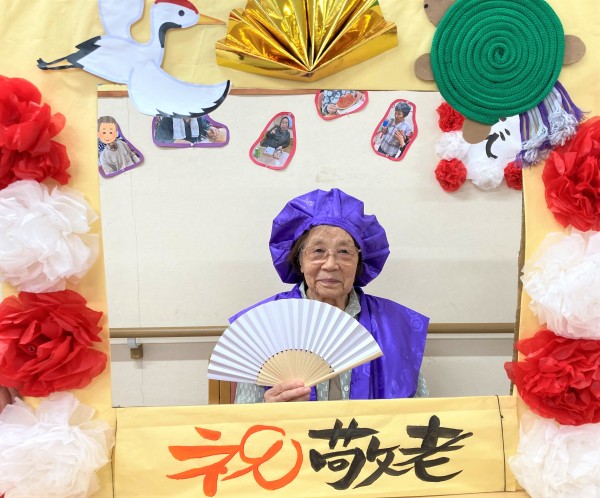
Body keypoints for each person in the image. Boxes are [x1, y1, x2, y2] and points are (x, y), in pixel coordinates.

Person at [233, 188, 429, 403]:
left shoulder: (394, 325)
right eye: (318, 251)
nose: (330, 264)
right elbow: (243, 415)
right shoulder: (264, 323)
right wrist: (268, 408)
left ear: (359, 262)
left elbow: (419, 410)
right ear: (299, 260)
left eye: (344, 252)